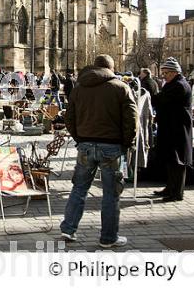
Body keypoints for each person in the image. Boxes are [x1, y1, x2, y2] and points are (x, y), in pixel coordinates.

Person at [61, 54, 138, 248]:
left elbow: (68, 117)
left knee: (79, 188)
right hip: (111, 146)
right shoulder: (121, 88)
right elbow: (132, 120)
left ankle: (68, 229)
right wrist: (126, 143)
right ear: (111, 69)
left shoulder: (79, 88)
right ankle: (108, 237)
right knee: (111, 194)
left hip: (86, 144)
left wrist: (79, 137)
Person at [151, 57, 193, 202]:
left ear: (174, 72)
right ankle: (170, 188)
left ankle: (177, 193)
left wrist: (152, 95)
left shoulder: (179, 85)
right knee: (171, 160)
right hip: (171, 127)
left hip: (178, 129)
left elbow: (161, 100)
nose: (164, 76)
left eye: (166, 73)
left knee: (178, 162)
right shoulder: (174, 84)